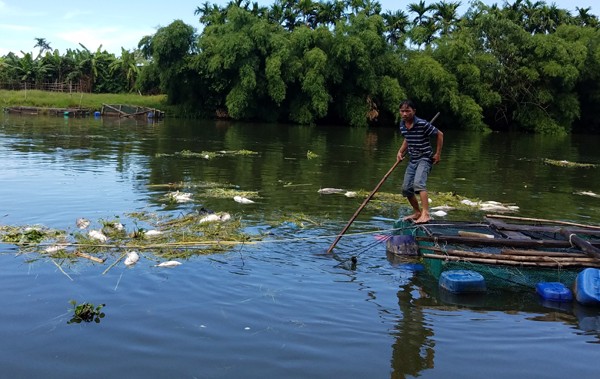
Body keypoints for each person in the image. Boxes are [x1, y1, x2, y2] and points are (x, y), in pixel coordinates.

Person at [396, 100, 443, 224]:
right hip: (413, 159)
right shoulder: (402, 124)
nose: (405, 114)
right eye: (402, 111)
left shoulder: (422, 124)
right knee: (406, 189)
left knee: (418, 184)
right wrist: (400, 152)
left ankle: (425, 214)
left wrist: (437, 154)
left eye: (407, 111)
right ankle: (417, 212)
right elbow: (408, 138)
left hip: (425, 158)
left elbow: (440, 134)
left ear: (414, 111)